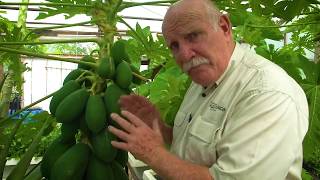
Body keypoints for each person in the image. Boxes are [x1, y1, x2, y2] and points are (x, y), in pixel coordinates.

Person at [108, 0, 309, 179]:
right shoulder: (201, 80)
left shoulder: (267, 92)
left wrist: (153, 153)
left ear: (224, 27)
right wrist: (159, 128)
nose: (185, 54)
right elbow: (194, 150)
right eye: (174, 46)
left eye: (193, 36)